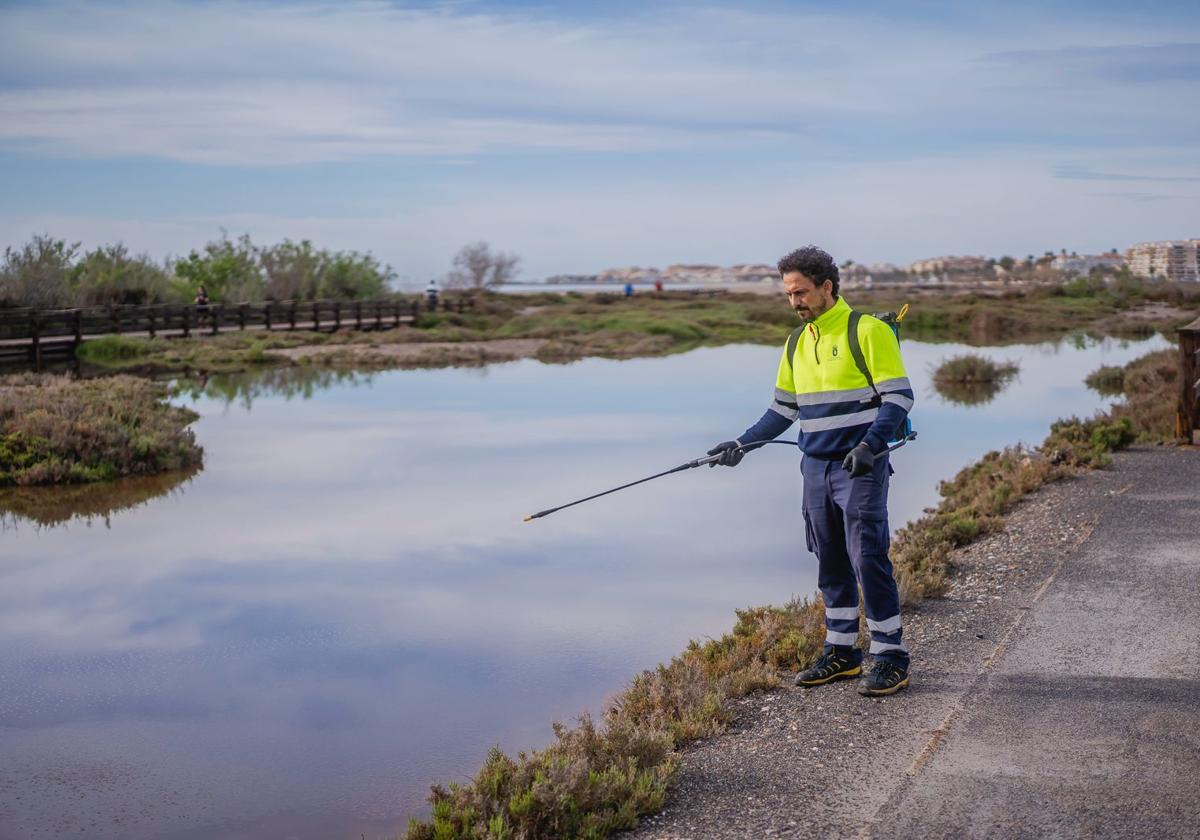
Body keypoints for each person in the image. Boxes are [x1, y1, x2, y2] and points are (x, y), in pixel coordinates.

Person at [708, 246, 915, 696]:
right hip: (815, 469)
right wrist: (741, 445)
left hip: (859, 466)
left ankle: (890, 657)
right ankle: (842, 652)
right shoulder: (796, 342)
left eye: (801, 292)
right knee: (831, 560)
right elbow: (781, 412)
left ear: (827, 287)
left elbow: (899, 399)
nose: (795, 301)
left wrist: (869, 445)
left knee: (868, 559)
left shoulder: (868, 331)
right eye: (788, 294)